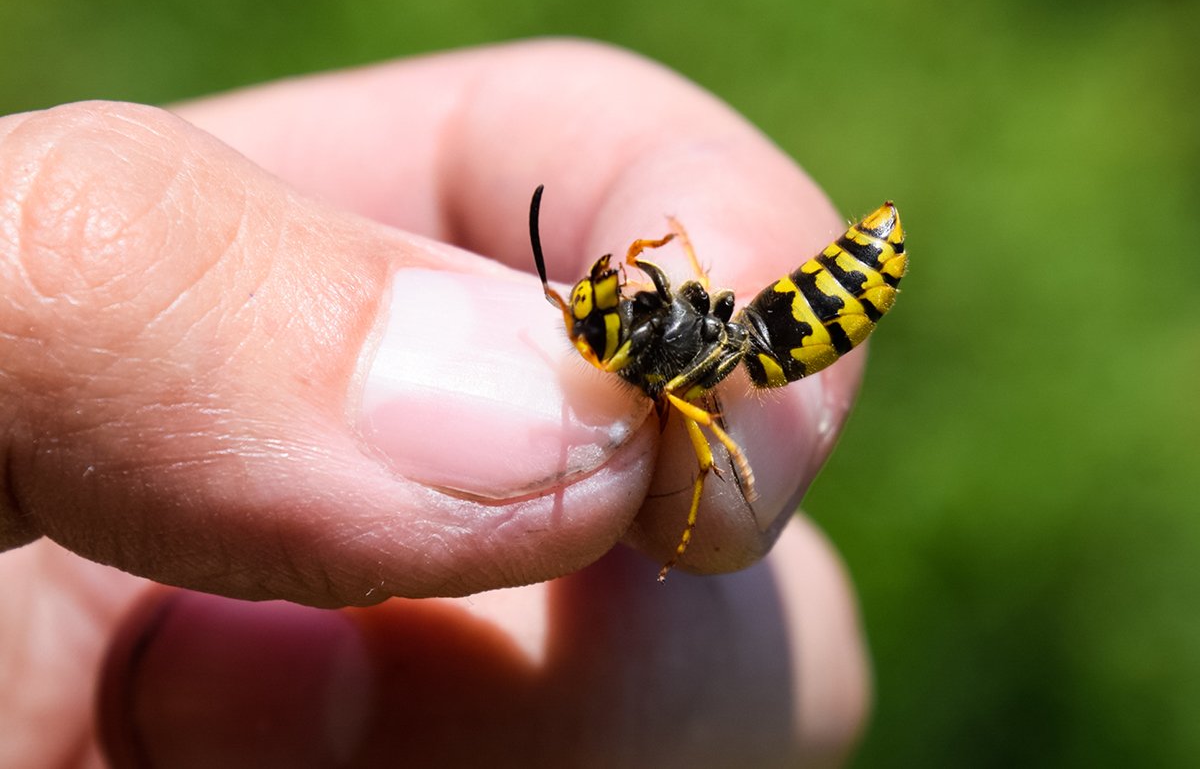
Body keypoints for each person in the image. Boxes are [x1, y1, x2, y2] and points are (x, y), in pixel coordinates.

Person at [0, 39, 869, 767]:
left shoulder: (669, 359)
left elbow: (675, 310)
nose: (592, 299)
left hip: (776, 329)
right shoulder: (648, 351)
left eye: (595, 301)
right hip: (766, 328)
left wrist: (699, 515)